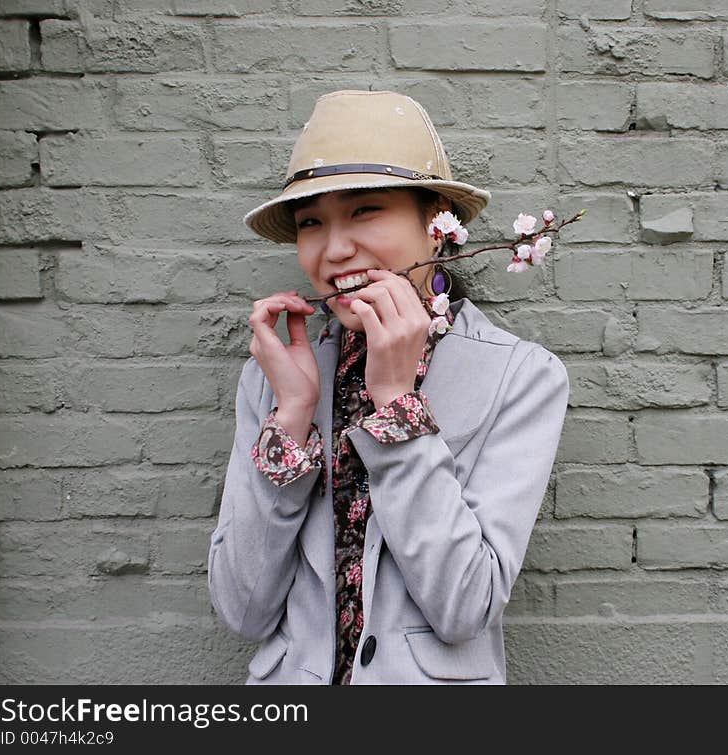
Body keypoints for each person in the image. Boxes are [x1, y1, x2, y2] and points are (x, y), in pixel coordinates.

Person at [207, 90, 569, 684]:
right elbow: (244, 610)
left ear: (437, 227)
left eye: (366, 210)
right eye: (311, 223)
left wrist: (398, 407)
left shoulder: (521, 377)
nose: (334, 248)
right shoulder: (278, 377)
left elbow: (464, 608)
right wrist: (292, 416)